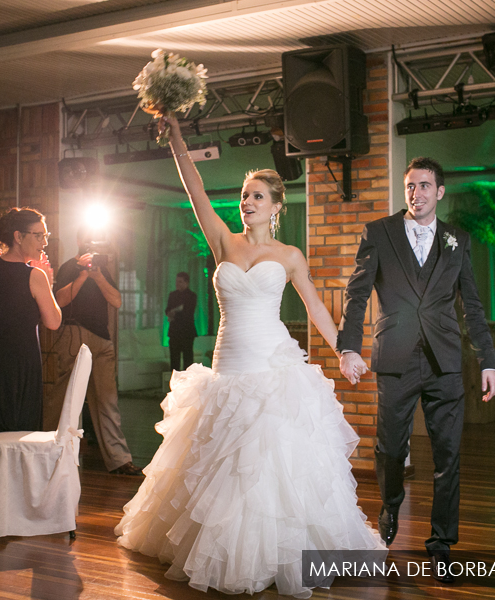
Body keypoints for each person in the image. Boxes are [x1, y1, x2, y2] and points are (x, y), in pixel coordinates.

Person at [114, 114, 386, 598]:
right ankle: (220, 549)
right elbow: (196, 189)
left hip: (271, 366)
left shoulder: (289, 255)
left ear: (276, 206)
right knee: (217, 461)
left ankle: (273, 553)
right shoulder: (222, 239)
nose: (247, 203)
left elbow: (317, 306)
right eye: (244, 196)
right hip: (227, 366)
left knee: (266, 465)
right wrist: (177, 140)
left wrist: (345, 350)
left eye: (257, 196)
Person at [337, 156, 495, 583]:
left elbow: (474, 307)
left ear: (439, 192)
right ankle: (390, 505)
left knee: (448, 454)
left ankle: (441, 541)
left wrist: (488, 360)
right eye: (411, 186)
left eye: (425, 186)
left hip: (445, 362)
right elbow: (356, 296)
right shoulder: (379, 233)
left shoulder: (457, 240)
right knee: (391, 449)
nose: (417, 194)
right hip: (396, 359)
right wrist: (348, 347)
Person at [0, 208, 62, 502]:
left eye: (46, 235)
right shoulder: (35, 276)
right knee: (15, 431)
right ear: (18, 237)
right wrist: (47, 279)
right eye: (38, 234)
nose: (44, 241)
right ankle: (5, 501)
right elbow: (53, 321)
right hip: (17, 361)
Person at [47, 229, 142, 476]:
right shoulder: (69, 267)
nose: (90, 243)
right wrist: (81, 275)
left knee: (107, 400)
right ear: (78, 240)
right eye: (86, 238)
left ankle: (119, 460)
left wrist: (97, 276)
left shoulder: (102, 269)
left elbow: (117, 301)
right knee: (64, 399)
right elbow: (61, 300)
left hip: (102, 339)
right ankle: (53, 454)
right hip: (74, 335)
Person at [165, 272, 197, 371]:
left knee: (188, 361)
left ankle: (188, 384)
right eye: (176, 281)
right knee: (174, 361)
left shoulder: (192, 296)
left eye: (180, 282)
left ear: (186, 282)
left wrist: (174, 313)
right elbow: (167, 309)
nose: (177, 284)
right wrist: (171, 312)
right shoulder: (172, 295)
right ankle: (175, 383)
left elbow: (188, 312)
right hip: (174, 332)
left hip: (186, 332)